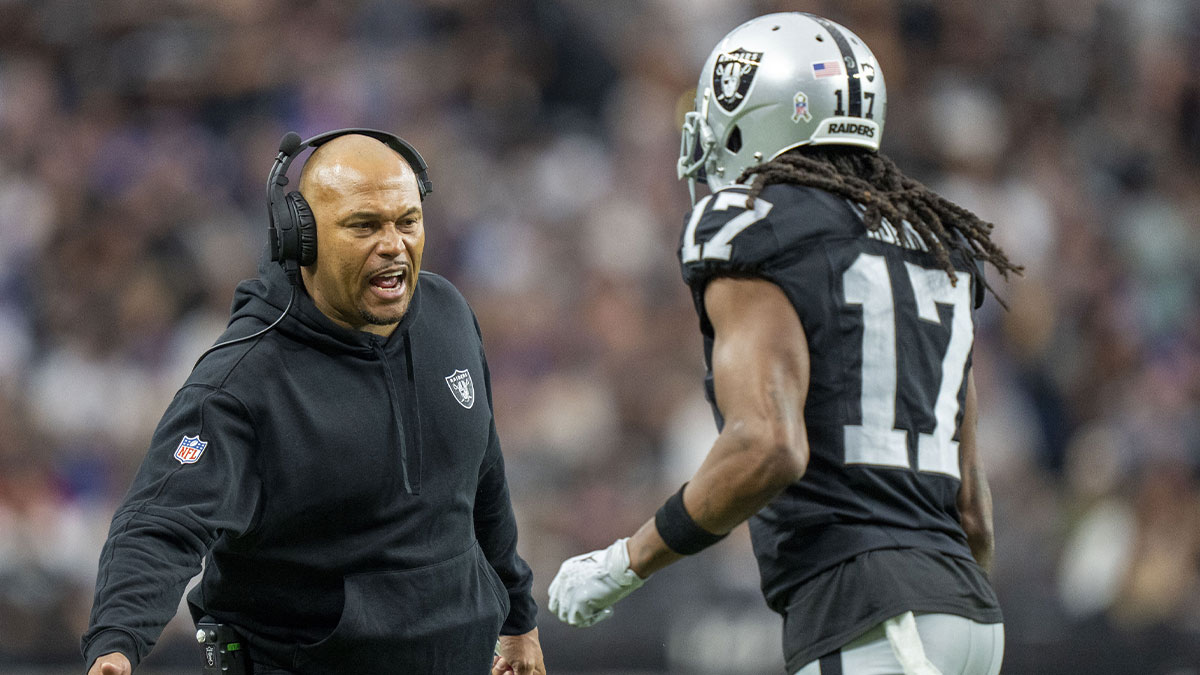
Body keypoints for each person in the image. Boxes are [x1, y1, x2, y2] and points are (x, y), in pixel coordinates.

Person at [548, 12, 1020, 675]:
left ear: (759, 117)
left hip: (871, 615)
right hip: (966, 614)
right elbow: (971, 508)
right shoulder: (930, 242)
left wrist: (628, 559)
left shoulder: (752, 224)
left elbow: (769, 444)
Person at [82, 130, 546, 675]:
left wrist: (518, 617)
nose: (394, 243)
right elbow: (161, 520)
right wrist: (116, 643)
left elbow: (482, 474)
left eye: (407, 221)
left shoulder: (447, 313)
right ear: (301, 237)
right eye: (364, 225)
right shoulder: (242, 380)